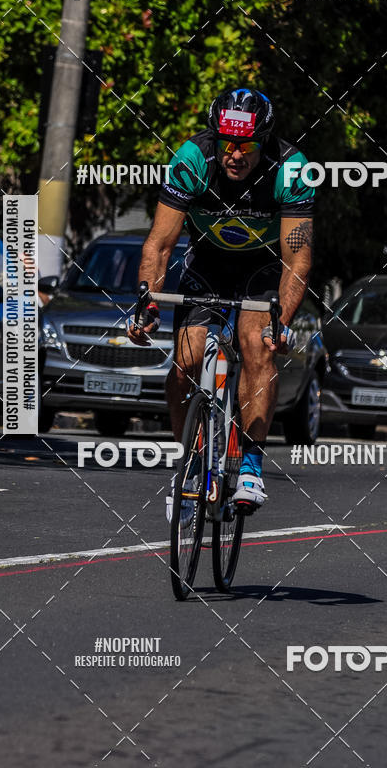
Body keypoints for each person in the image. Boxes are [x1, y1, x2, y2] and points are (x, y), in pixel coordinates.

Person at [128, 88, 314, 511]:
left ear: (263, 141)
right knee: (186, 362)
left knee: (256, 346)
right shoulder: (192, 158)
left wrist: (279, 322)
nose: (235, 154)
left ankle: (250, 465)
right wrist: (147, 305)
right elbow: (159, 244)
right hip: (206, 264)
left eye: (246, 145)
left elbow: (297, 258)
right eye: (227, 143)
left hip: (261, 269)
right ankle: (191, 462)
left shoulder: (291, 169)